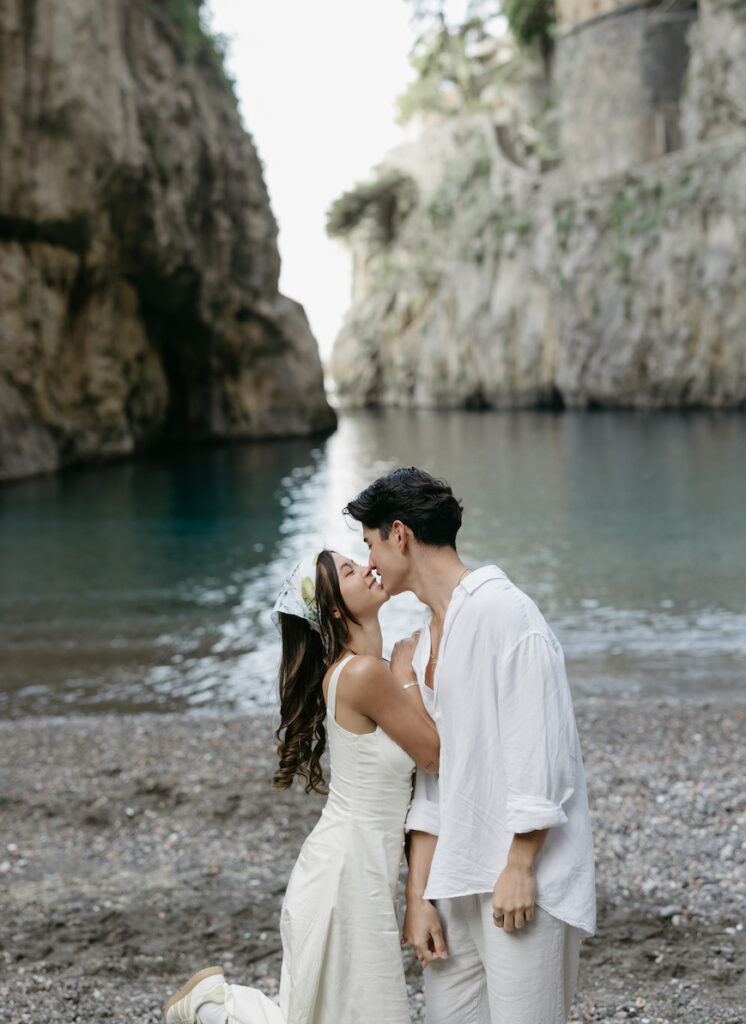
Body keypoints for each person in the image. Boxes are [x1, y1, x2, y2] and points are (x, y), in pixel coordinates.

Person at [345, 467, 596, 1024]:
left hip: (517, 877)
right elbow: (438, 777)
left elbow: (542, 748)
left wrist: (521, 863)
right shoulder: (427, 636)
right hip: (456, 877)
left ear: (400, 535)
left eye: (370, 545)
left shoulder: (505, 613)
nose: (369, 564)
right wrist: (419, 894)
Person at [163, 549, 439, 1024]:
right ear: (334, 608)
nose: (369, 567)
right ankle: (217, 1006)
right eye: (351, 571)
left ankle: (216, 1007)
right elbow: (434, 755)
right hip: (345, 875)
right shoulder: (366, 674)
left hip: (353, 867)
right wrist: (409, 676)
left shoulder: (361, 670)